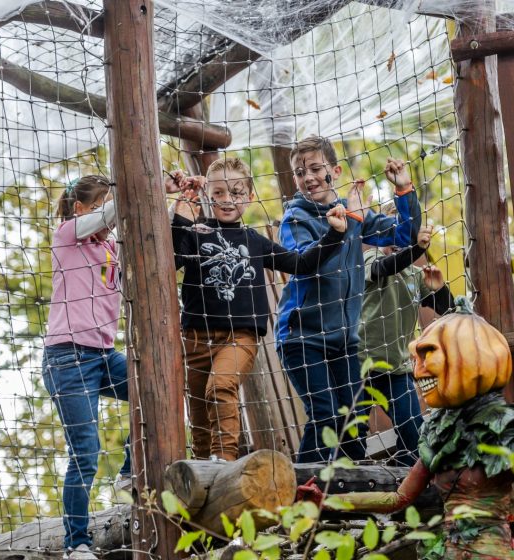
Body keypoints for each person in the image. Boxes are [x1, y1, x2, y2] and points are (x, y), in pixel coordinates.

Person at [167, 157, 347, 462]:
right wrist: (183, 207)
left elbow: (300, 264)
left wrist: (334, 235)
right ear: (208, 194)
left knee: (220, 386)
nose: (227, 200)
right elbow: (171, 259)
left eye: (236, 192)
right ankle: (201, 477)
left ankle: (223, 461)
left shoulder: (254, 241)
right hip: (195, 338)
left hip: (239, 337)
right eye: (220, 192)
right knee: (198, 415)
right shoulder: (195, 233)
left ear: (249, 196)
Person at [275, 136, 421, 463]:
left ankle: (353, 490)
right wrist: (347, 226)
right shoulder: (296, 219)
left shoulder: (353, 212)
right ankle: (307, 493)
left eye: (315, 168)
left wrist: (403, 191)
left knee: (353, 421)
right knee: (325, 414)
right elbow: (307, 262)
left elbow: (404, 236)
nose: (308, 177)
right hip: (303, 336)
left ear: (335, 171)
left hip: (344, 339)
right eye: (300, 172)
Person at [42, 175, 130, 560]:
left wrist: (177, 200)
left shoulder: (111, 247)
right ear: (79, 210)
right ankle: (75, 543)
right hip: (67, 358)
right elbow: (113, 212)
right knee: (86, 451)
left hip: (104, 356)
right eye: (98, 206)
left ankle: (131, 468)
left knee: (156, 388)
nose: (105, 215)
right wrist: (144, 187)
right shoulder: (66, 235)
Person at [359, 211, 455, 466]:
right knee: (353, 435)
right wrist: (414, 249)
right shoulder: (371, 259)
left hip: (396, 368)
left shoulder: (415, 275)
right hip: (360, 366)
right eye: (394, 230)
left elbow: (449, 309)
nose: (400, 236)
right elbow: (385, 267)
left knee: (413, 433)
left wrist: (439, 289)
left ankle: (404, 480)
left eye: (407, 231)